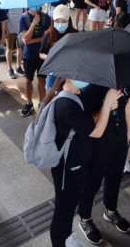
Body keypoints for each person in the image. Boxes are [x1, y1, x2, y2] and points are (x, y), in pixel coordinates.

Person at [49, 78, 120, 247]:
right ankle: (60, 242)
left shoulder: (77, 95)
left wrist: (105, 108)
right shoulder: (66, 103)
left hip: (77, 160)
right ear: (68, 76)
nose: (87, 80)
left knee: (69, 205)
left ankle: (67, 236)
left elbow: (87, 121)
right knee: (63, 209)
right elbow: (96, 132)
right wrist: (107, 104)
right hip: (67, 166)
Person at [77, 81, 130, 244]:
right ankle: (85, 219)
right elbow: (88, 120)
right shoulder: (93, 87)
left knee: (115, 177)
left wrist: (129, 132)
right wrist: (106, 105)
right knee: (92, 181)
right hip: (99, 141)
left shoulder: (126, 80)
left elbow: (128, 103)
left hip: (119, 137)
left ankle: (111, 211)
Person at [19, 6, 51, 117]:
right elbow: (26, 39)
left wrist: (33, 40)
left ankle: (42, 104)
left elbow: (47, 36)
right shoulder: (23, 18)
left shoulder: (46, 18)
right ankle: (29, 103)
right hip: (29, 55)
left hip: (42, 54)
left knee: (42, 79)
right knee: (28, 80)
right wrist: (33, 24)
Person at [5, 0, 25, 79]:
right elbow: (4, 15)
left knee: (20, 48)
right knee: (9, 48)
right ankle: (10, 69)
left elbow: (24, 11)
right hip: (10, 27)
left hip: (20, 27)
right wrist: (6, 30)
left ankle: (18, 67)